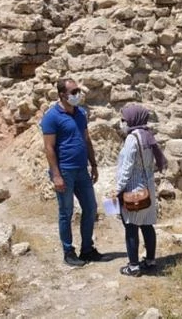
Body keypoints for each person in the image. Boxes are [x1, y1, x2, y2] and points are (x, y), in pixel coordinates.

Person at [41, 77, 103, 267]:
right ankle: (68, 251)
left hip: (82, 170)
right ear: (62, 95)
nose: (78, 94)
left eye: (78, 91)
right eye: (73, 92)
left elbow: (86, 139)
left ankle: (87, 249)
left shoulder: (80, 113)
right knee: (66, 212)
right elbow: (49, 148)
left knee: (90, 208)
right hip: (64, 171)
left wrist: (93, 164)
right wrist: (56, 175)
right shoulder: (51, 117)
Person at [115, 103, 167, 277]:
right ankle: (150, 261)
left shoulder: (132, 138)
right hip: (148, 188)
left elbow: (127, 167)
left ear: (132, 119)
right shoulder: (147, 135)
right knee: (147, 225)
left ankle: (133, 266)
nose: (122, 122)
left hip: (134, 189)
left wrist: (117, 189)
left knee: (131, 227)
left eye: (124, 119)